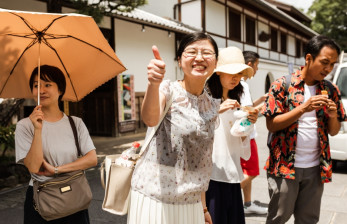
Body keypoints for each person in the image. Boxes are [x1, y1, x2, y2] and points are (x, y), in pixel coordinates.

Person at [128, 32, 220, 224]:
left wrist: (203, 207)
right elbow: (150, 118)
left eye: (207, 53)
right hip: (155, 197)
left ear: (216, 62)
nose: (200, 58)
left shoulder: (212, 105)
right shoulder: (167, 89)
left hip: (191, 200)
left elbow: (201, 161)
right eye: (192, 52)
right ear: (179, 60)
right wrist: (153, 84)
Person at [262, 35, 347, 224]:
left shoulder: (331, 90)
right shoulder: (282, 84)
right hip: (284, 166)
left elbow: (333, 131)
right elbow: (271, 124)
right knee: (278, 217)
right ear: (309, 58)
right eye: (324, 62)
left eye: (332, 64)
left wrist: (333, 116)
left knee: (308, 219)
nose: (328, 69)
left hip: (316, 167)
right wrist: (303, 108)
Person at [15, 65, 97, 223]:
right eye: (36, 85)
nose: (41, 90)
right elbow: (34, 167)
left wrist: (57, 170)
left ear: (60, 90)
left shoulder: (75, 123)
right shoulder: (24, 126)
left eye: (47, 84)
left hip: (74, 196)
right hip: (41, 199)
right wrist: (37, 129)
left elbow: (92, 159)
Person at [205, 46, 257, 224]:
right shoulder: (205, 99)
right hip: (211, 173)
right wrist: (217, 111)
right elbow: (197, 133)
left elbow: (242, 145)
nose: (235, 78)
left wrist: (248, 123)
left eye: (239, 73)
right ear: (218, 73)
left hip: (233, 172)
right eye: (230, 72)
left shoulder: (239, 102)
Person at [239, 51, 268, 214]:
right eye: (257, 66)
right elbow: (246, 111)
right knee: (252, 172)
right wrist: (263, 107)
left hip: (243, 134)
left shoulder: (240, 83)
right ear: (249, 65)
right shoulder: (242, 84)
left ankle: (247, 203)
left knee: (245, 171)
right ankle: (225, 196)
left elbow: (247, 105)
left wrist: (261, 100)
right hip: (246, 134)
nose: (257, 70)